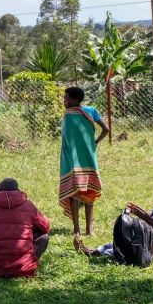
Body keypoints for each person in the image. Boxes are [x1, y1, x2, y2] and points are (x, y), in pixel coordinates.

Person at [0, 178, 51, 278]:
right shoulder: (28, 206)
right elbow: (46, 227)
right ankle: (29, 264)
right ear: (18, 191)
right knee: (44, 236)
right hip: (23, 270)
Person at [59, 86, 109, 236]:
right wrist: (95, 142)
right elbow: (106, 129)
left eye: (66, 99)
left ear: (75, 100)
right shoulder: (91, 111)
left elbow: (67, 140)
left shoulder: (69, 115)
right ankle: (89, 229)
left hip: (72, 159)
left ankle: (77, 229)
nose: (64, 101)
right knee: (89, 191)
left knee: (75, 192)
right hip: (88, 157)